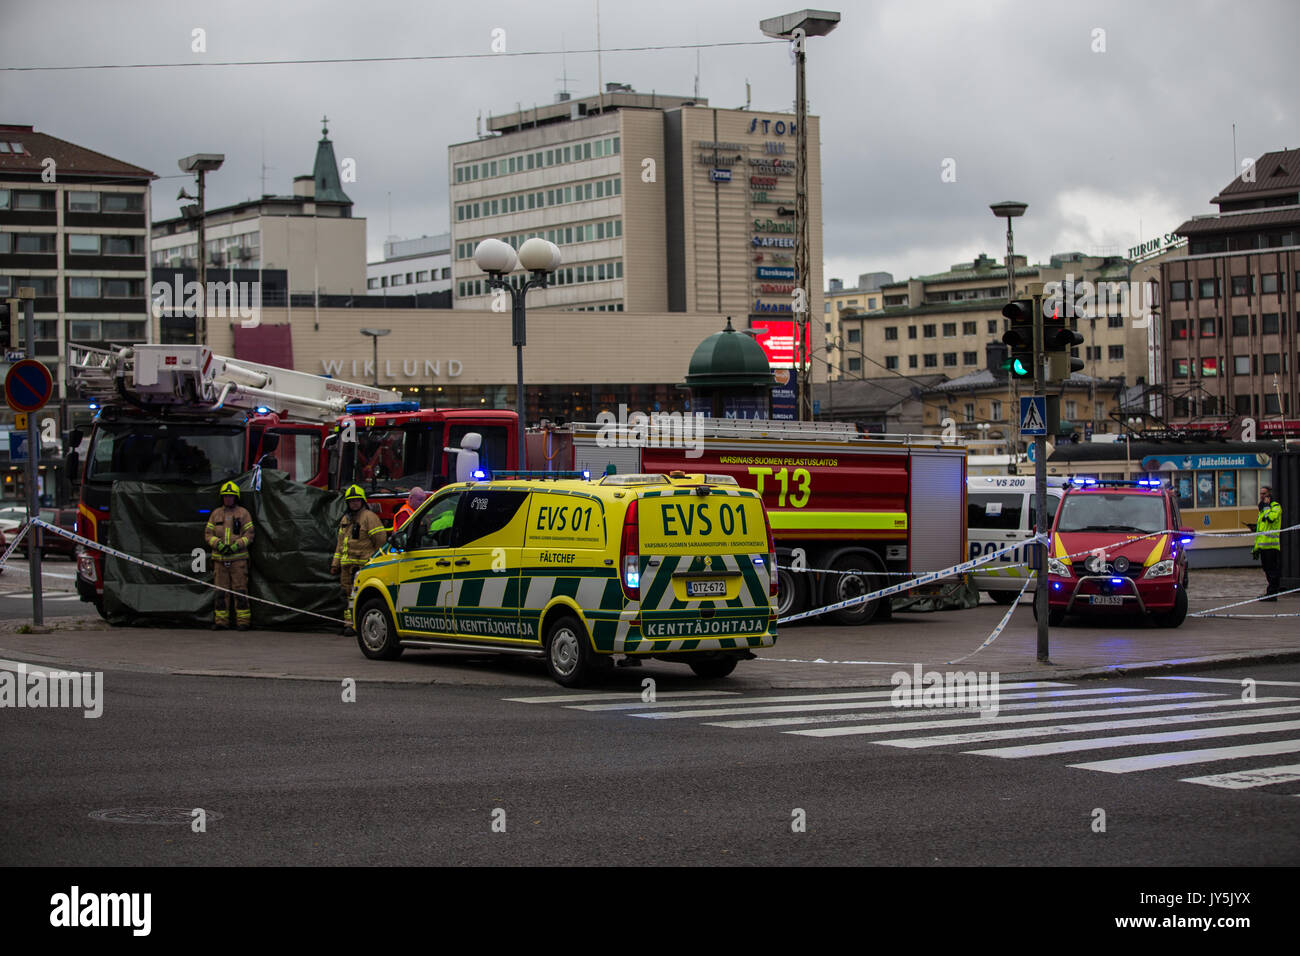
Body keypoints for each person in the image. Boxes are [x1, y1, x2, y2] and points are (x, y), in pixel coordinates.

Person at [332, 484, 388, 635]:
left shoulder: (369, 518)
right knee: (346, 596)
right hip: (346, 567)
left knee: (360, 597)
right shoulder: (345, 519)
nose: (354, 503)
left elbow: (380, 540)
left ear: (362, 501)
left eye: (357, 500)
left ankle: (360, 625)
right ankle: (348, 625)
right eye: (351, 501)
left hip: (363, 567)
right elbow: (340, 543)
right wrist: (335, 564)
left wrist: (375, 561)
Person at [204, 480, 255, 630]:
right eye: (225, 496)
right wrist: (218, 544)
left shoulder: (243, 513)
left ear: (236, 497)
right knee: (220, 592)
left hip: (238, 561)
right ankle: (221, 622)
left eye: (231, 496)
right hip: (219, 560)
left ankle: (243, 622)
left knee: (240, 591)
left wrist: (236, 546)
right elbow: (208, 534)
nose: (228, 499)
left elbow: (250, 535)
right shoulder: (215, 514)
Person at [1253, 485, 1282, 601]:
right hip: (1263, 545)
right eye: (1260, 493)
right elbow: (1263, 526)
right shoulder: (1262, 509)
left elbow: (1270, 519)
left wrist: (1266, 507)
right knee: (1267, 570)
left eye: (1264, 493)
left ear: (1269, 495)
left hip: (1271, 545)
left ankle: (1272, 594)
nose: (1261, 496)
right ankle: (1270, 593)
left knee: (1272, 570)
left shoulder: (1275, 507)